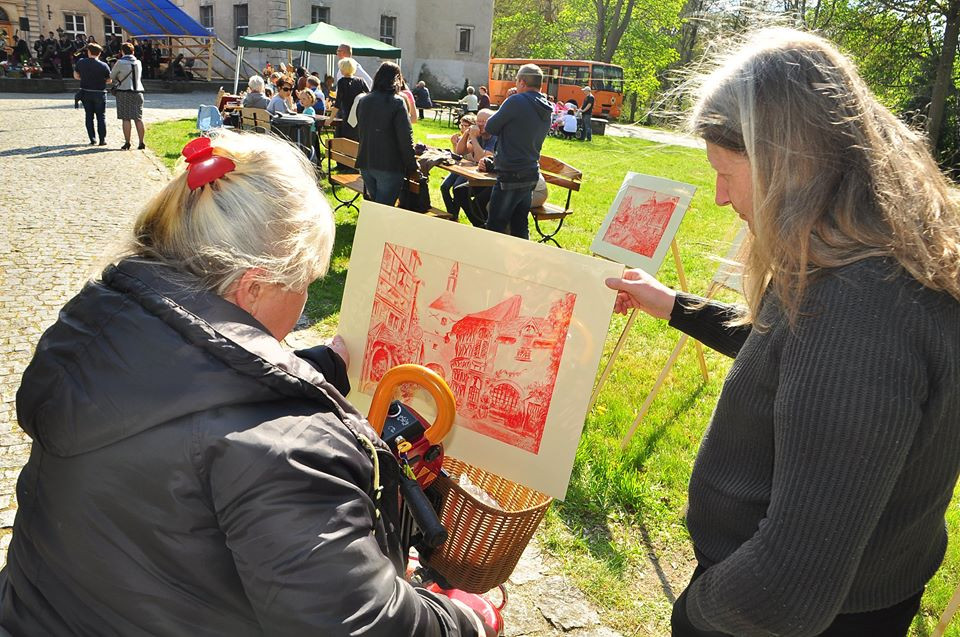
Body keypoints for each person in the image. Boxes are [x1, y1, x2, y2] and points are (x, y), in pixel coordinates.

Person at [0, 130, 493, 637]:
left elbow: (198, 389)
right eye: (305, 284)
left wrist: (319, 364)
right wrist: (462, 620)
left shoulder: (99, 331)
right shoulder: (285, 451)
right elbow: (360, 624)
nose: (305, 300)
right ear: (253, 286)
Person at [604, 28, 960, 637]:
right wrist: (674, 307)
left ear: (786, 164)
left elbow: (788, 587)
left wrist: (693, 615)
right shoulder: (864, 253)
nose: (718, 197)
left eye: (725, 171)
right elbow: (796, 362)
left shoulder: (855, 308)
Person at [482, 64, 551, 239]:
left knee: (495, 225)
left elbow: (490, 127)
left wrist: (506, 103)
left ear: (521, 81)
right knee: (520, 225)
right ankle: (521, 263)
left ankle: (492, 263)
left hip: (511, 173)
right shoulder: (546, 106)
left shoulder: (515, 101)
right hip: (530, 172)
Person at [355, 61, 418, 205]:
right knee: (382, 210)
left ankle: (370, 227)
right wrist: (412, 166)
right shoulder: (397, 102)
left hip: (366, 161)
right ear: (397, 79)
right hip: (388, 164)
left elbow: (362, 130)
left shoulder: (364, 100)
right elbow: (405, 138)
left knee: (377, 206)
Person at [442, 110, 497, 226]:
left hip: (493, 180)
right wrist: (467, 134)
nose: (480, 124)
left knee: (469, 196)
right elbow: (460, 151)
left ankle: (480, 225)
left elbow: (480, 158)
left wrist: (473, 137)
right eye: (478, 121)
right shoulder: (479, 135)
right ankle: (477, 224)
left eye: (484, 121)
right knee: (458, 189)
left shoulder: (494, 137)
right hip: (480, 176)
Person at [110, 42, 145, 150]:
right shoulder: (138, 62)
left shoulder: (120, 62)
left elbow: (112, 76)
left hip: (124, 92)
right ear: (133, 51)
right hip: (138, 91)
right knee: (138, 118)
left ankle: (127, 142)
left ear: (122, 51)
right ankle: (141, 142)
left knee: (126, 118)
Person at [73, 43, 111, 146]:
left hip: (86, 92)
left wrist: (84, 78)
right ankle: (102, 140)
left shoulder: (81, 62)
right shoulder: (104, 65)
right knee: (101, 117)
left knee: (89, 116)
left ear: (89, 52)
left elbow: (76, 76)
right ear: (99, 53)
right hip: (100, 93)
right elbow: (109, 80)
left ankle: (92, 139)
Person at [333, 57, 368, 141]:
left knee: (345, 141)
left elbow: (338, 102)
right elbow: (369, 95)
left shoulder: (342, 82)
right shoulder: (361, 81)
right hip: (359, 116)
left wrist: (330, 119)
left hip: (346, 116)